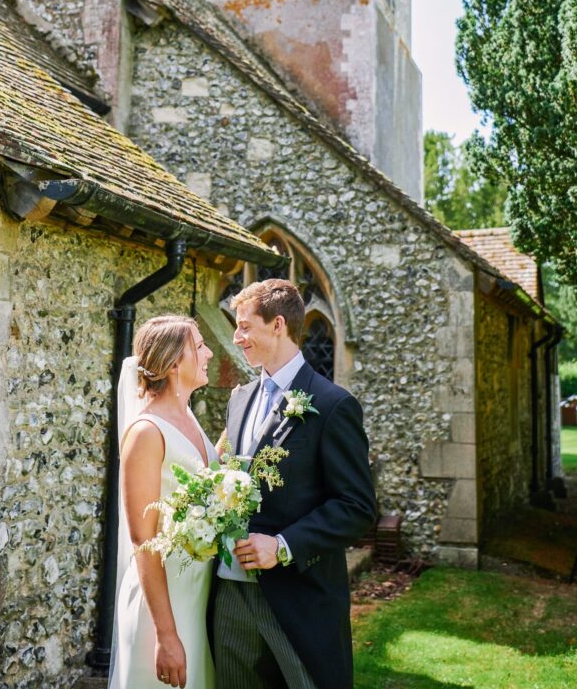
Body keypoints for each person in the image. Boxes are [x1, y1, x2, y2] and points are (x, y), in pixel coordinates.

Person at [212, 278, 377, 689]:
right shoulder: (239, 399)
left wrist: (283, 546)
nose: (237, 336)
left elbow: (357, 507)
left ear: (279, 325)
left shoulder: (332, 404)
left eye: (245, 326)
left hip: (300, 596)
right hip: (231, 592)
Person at [110, 315, 216, 689]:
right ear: (174, 363)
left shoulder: (188, 417)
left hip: (196, 593)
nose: (209, 353)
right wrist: (166, 635)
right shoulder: (145, 432)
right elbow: (143, 539)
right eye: (200, 346)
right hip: (161, 605)